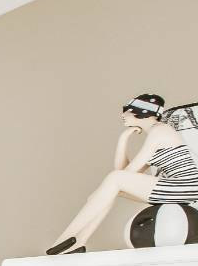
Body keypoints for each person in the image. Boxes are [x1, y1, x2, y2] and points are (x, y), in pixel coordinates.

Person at [49, 94, 198, 254]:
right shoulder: (156, 133)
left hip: (186, 186)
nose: (122, 115)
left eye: (126, 111)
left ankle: (65, 239)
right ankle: (79, 242)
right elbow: (125, 172)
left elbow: (124, 174)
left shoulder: (160, 132)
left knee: (114, 181)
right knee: (109, 189)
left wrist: (111, 183)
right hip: (178, 187)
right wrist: (123, 139)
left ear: (141, 111)